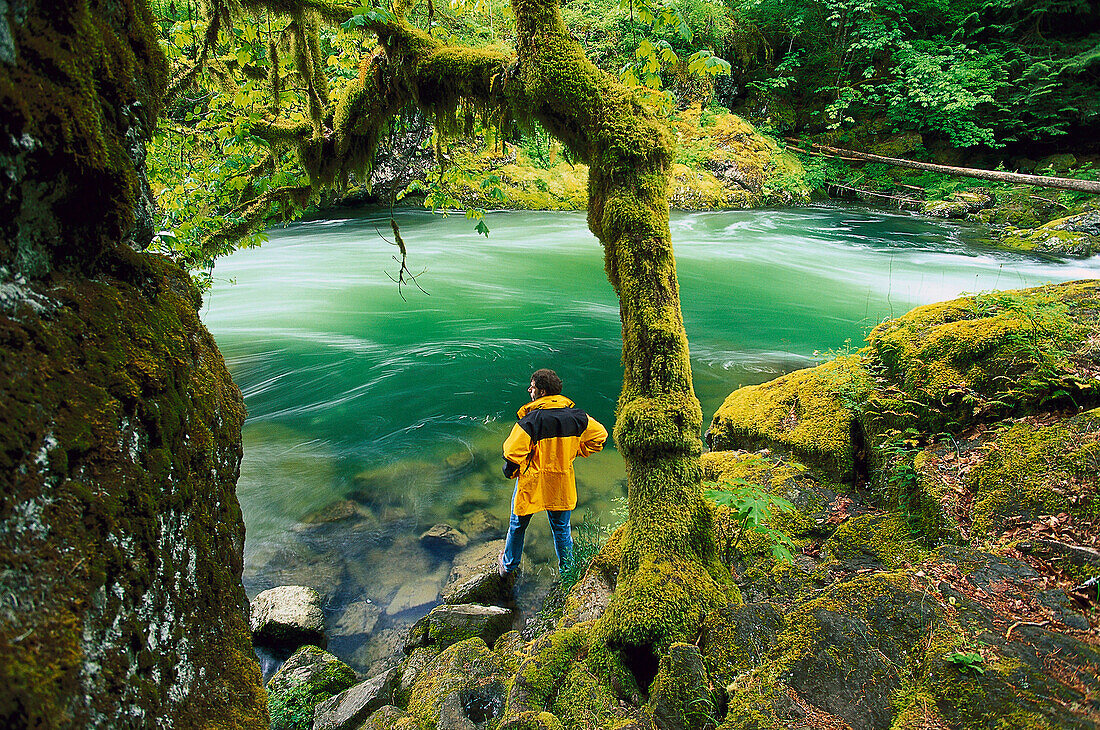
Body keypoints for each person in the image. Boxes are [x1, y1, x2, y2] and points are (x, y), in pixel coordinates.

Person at [500, 368, 607, 578]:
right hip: (561, 483)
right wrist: (576, 450)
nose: (529, 390)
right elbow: (600, 436)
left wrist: (511, 471)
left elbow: (512, 454)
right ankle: (567, 573)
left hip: (533, 483)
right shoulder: (578, 417)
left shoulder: (530, 421)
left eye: (531, 387)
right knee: (561, 528)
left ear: (541, 392)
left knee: (517, 525)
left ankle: (508, 567)